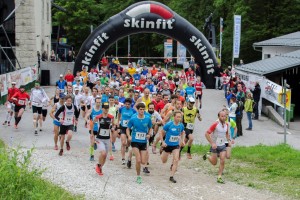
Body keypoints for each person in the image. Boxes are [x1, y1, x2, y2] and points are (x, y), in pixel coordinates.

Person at [203, 111, 234, 184]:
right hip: (215, 146)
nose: (224, 117)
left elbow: (226, 134)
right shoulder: (215, 124)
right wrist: (212, 143)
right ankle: (207, 155)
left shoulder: (226, 124)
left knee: (222, 160)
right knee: (214, 163)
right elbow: (206, 134)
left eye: (224, 116)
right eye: (222, 116)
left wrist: (229, 140)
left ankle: (219, 177)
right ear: (219, 117)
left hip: (222, 145)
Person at [126, 103, 152, 184]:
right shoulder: (133, 118)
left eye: (143, 109)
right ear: (137, 110)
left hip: (143, 142)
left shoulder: (147, 118)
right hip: (135, 141)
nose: (142, 111)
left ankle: (131, 160)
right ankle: (138, 176)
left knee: (143, 161)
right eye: (140, 109)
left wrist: (148, 134)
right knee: (138, 160)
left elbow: (150, 128)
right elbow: (128, 128)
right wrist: (129, 136)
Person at [160, 111, 185, 183]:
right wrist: (163, 142)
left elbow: (183, 132)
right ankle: (161, 151)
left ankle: (171, 176)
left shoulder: (181, 125)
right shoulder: (169, 124)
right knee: (164, 161)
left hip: (175, 145)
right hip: (167, 145)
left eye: (180, 117)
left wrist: (182, 141)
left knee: (176, 159)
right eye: (177, 117)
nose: (179, 118)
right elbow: (161, 133)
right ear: (174, 117)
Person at [94, 102, 114, 176]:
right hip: (99, 138)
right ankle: (98, 165)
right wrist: (93, 135)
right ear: (102, 109)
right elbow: (92, 123)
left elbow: (113, 125)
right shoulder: (98, 117)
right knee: (103, 153)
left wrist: (113, 128)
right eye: (105, 108)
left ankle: (100, 167)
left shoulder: (111, 117)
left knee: (105, 156)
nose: (106, 109)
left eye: (107, 108)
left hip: (107, 139)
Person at [118, 98, 136, 165]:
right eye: (126, 104)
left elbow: (135, 118)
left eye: (129, 104)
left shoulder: (133, 111)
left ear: (131, 104)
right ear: (124, 104)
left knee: (128, 142)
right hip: (123, 127)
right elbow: (119, 115)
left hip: (130, 128)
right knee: (123, 142)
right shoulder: (121, 109)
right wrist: (118, 121)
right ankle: (123, 158)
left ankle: (127, 146)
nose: (127, 105)